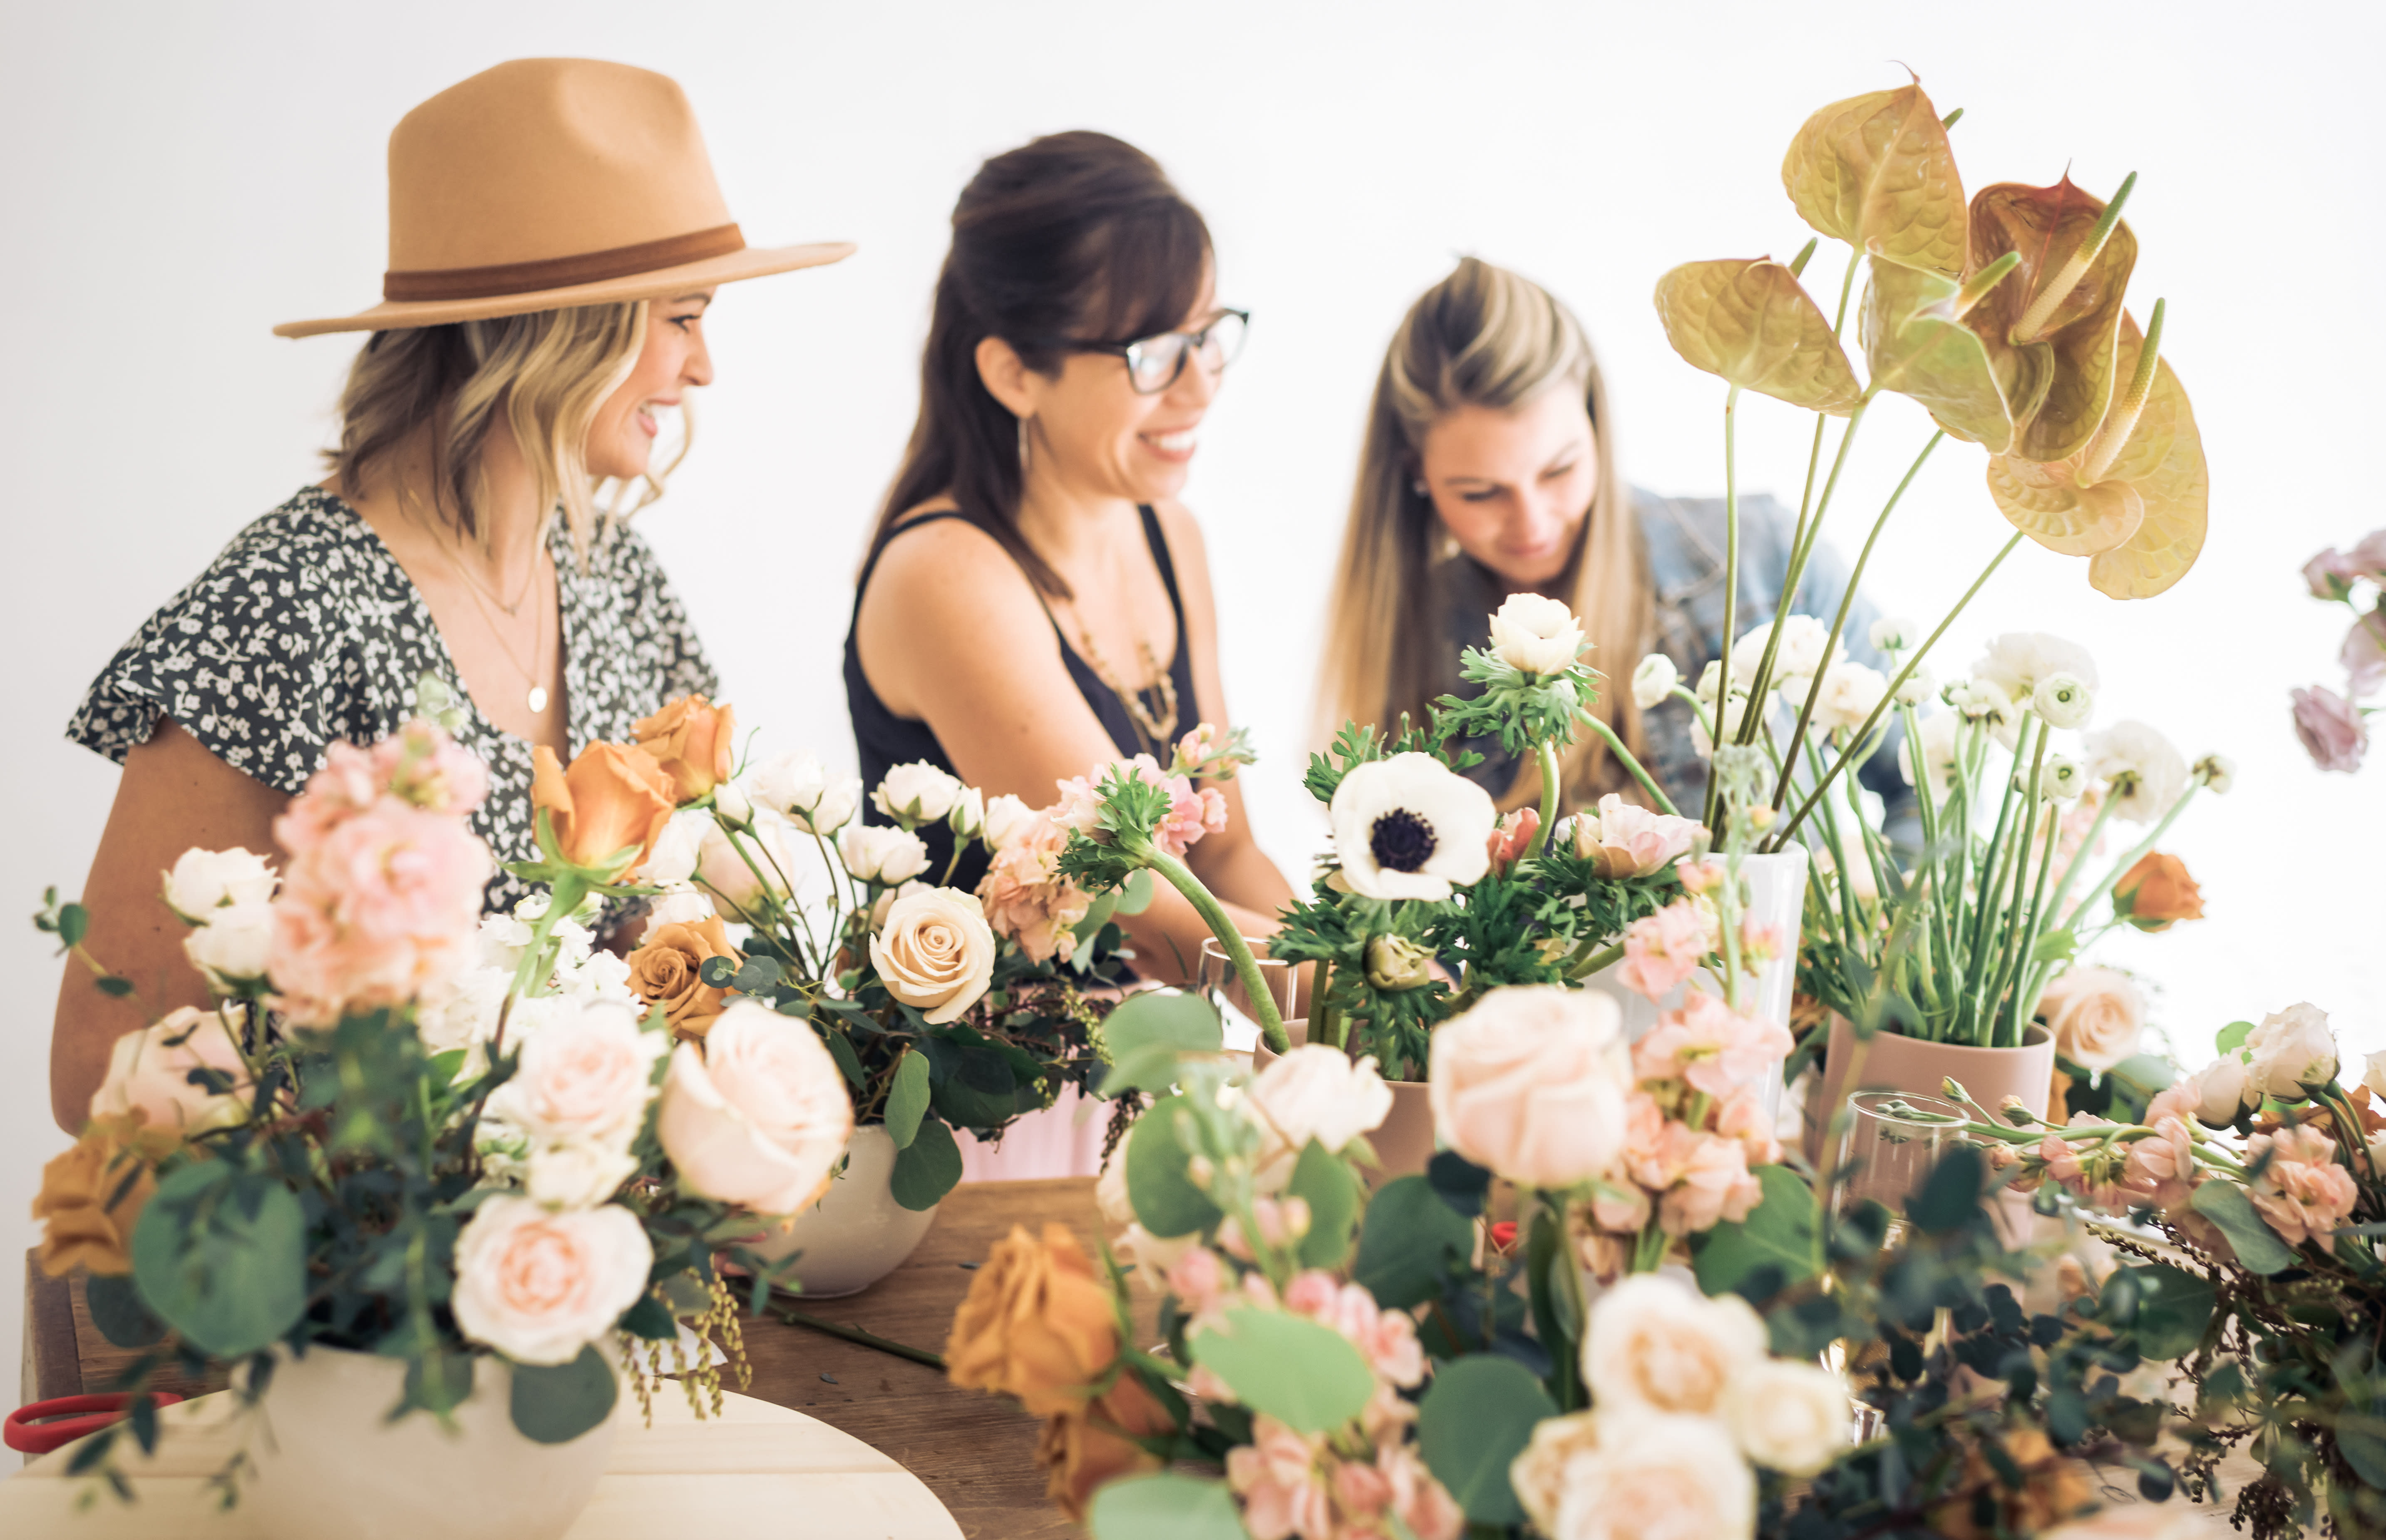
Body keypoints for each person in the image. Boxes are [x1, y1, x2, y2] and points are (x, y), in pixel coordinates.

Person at [51, 59, 853, 1130]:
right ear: (562, 327)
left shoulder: (614, 575)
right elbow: (104, 1071)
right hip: (362, 1273)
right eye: (680, 317)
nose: (702, 368)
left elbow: (698, 929)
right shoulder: (282, 609)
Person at [847, 131, 1293, 990]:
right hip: (1018, 1100)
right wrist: (1389, 1002)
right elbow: (1144, 918)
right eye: (1153, 353)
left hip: (1157, 1075)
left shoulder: (1169, 532)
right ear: (1015, 374)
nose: (1201, 385)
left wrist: (1372, 971)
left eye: (1206, 335)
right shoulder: (947, 575)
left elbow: (1228, 850)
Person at [1318, 255, 1912, 825]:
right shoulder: (1413, 642)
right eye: (1479, 493)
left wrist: (1894, 927)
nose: (1533, 523)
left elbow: (1925, 786)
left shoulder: (1761, 558)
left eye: (1559, 471)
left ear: (1596, 428)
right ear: (1413, 473)